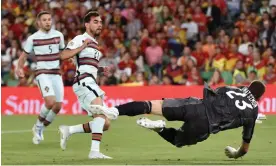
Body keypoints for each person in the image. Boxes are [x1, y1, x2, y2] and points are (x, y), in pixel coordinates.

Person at [92, 80, 266, 159]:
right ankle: (159, 128)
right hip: (204, 125)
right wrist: (235, 154)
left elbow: (217, 93)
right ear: (259, 98)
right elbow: (244, 149)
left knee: (149, 105)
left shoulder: (232, 88)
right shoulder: (252, 112)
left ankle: (113, 111)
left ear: (248, 86)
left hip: (193, 105)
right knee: (177, 140)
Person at [58, 11, 118, 159]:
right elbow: (63, 55)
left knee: (105, 123)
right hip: (83, 81)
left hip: (90, 80)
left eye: (100, 22)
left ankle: (69, 130)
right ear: (87, 24)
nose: (99, 24)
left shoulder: (96, 44)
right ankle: (94, 152)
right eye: (96, 22)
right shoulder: (81, 39)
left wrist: (100, 70)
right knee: (99, 111)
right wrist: (81, 47)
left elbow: (86, 65)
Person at [15, 11, 65, 145]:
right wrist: (19, 68)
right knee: (50, 102)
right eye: (44, 20)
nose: (48, 22)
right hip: (42, 73)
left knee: (58, 106)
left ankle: (41, 128)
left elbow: (63, 53)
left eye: (49, 19)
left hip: (56, 73)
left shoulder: (59, 35)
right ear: (39, 23)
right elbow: (23, 57)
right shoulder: (33, 38)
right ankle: (37, 126)